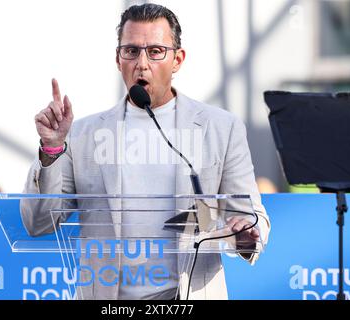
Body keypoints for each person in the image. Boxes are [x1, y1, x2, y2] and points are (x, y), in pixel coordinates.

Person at [21, 3, 270, 300]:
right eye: (131, 51)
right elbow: (37, 223)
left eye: (155, 51)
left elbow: (252, 217)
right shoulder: (82, 134)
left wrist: (244, 236)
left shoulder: (221, 128)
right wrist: (51, 149)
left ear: (177, 59)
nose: (141, 63)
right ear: (118, 59)